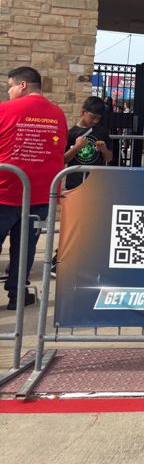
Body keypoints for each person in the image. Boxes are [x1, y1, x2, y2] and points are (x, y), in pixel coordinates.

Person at [0, 67, 67, 309]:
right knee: (25, 248)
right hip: (39, 195)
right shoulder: (58, 114)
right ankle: (17, 295)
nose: (8, 91)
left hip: (4, 192)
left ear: (23, 86)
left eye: (10, 86)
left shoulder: (4, 110)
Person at [64, 96, 113, 188]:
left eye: (98, 118)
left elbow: (109, 158)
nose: (95, 121)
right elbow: (63, 159)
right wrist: (76, 147)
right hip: (75, 182)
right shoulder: (71, 133)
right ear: (83, 112)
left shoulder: (102, 132)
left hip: (96, 183)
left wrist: (104, 149)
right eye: (92, 117)